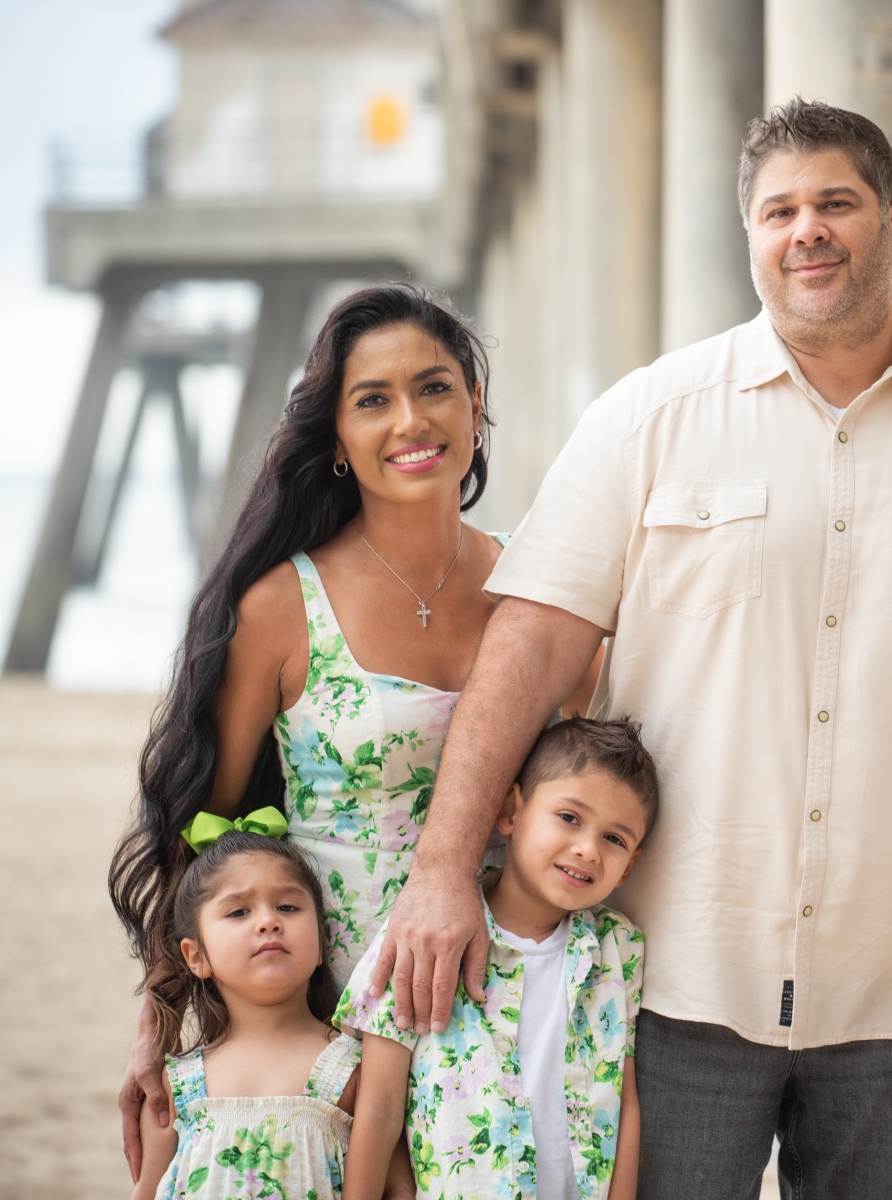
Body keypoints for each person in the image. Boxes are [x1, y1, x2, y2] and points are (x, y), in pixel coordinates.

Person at [367, 98, 892, 1199]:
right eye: (779, 211)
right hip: (665, 988)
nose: (807, 231)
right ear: (751, 236)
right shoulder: (647, 417)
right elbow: (528, 648)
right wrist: (442, 869)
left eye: (835, 204)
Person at [109, 284, 593, 1190]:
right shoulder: (280, 606)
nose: (411, 420)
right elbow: (205, 833)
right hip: (334, 1015)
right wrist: (157, 1019)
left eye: (434, 387)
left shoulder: (539, 589)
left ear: (475, 404)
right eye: (373, 400)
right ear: (336, 436)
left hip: (505, 1003)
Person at [337, 717, 654, 1200]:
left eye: (615, 839)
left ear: (629, 866)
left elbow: (624, 1099)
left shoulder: (619, 947)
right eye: (569, 817)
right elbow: (378, 1103)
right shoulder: (427, 934)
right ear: (510, 810)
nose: (588, 849)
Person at [132, 823, 356, 1200]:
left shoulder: (352, 1069)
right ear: (196, 956)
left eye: (287, 907)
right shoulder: (177, 1084)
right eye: (238, 912)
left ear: (322, 943)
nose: (268, 921)